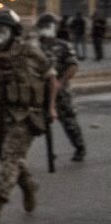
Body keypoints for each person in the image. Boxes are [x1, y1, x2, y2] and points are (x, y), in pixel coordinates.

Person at [0, 9, 56, 223]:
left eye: (2, 30)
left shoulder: (29, 51)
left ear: (13, 31)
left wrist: (51, 108)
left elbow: (51, 78)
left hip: (25, 115)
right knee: (8, 157)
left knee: (10, 159)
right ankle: (28, 185)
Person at [37, 14, 86, 162]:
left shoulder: (63, 45)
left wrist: (61, 81)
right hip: (39, 90)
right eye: (43, 26)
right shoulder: (34, 46)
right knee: (33, 122)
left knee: (69, 121)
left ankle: (80, 148)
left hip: (61, 91)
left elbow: (72, 66)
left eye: (48, 25)